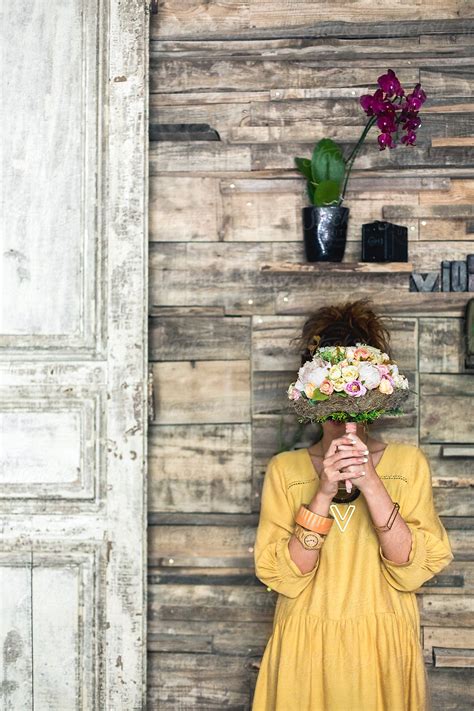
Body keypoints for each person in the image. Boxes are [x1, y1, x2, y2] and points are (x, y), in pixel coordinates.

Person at [252, 298, 454, 711]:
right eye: (331, 405)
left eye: (354, 404)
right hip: (306, 644)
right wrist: (324, 491)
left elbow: (411, 570)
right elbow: (286, 578)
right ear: (310, 398)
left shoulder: (406, 464)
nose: (344, 419)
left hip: (382, 645)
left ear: (375, 397)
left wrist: (372, 482)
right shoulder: (285, 470)